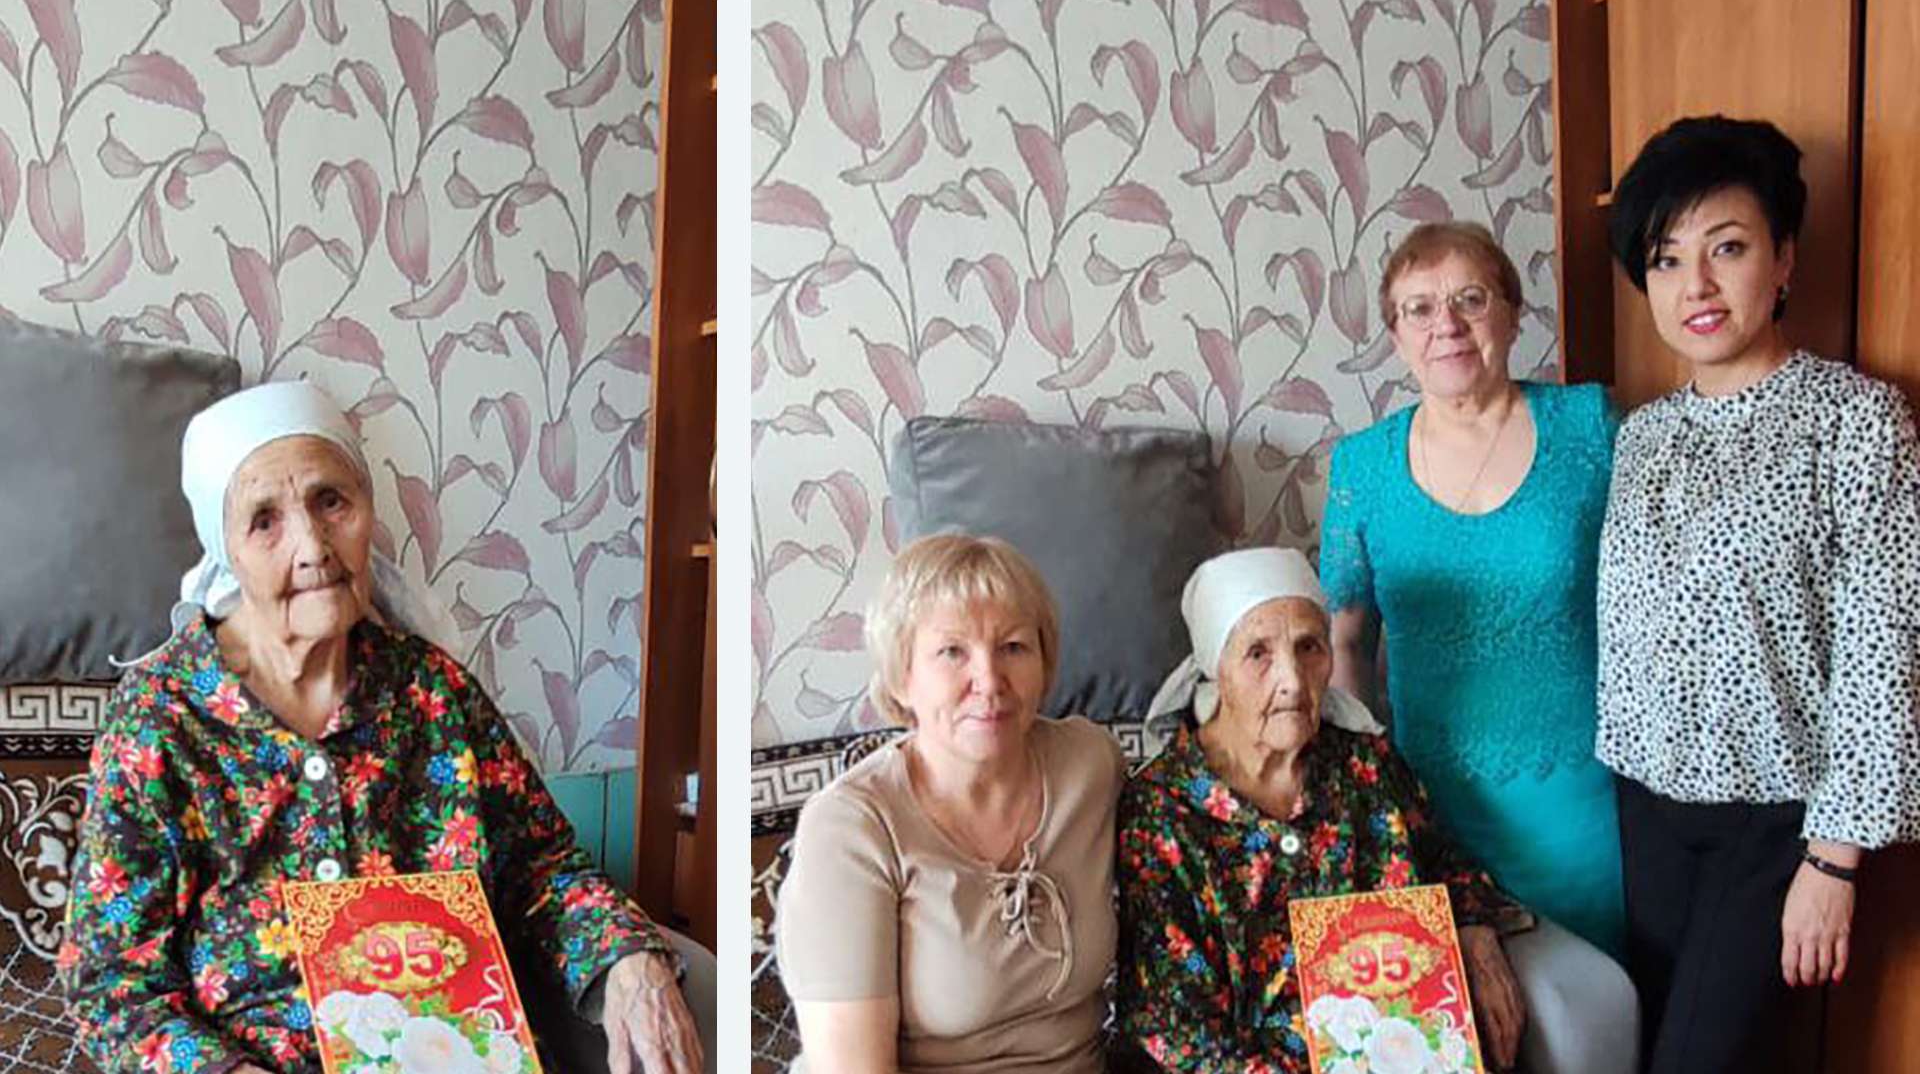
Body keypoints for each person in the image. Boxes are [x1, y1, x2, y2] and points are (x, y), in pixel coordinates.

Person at [58, 381, 710, 1074]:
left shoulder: (432, 690)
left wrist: (629, 960)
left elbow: (542, 868)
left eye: (330, 501)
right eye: (265, 521)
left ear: (366, 508)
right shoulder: (160, 721)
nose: (312, 546)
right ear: (227, 550)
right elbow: (110, 984)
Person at [1599, 114, 1920, 1072]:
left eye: (1727, 248)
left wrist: (1833, 860)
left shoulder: (1857, 419)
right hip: (1645, 809)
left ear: (1783, 259)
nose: (1694, 285)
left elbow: (1885, 649)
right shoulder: (1642, 435)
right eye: (1666, 259)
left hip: (1775, 821)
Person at [1320, 220, 1627, 963]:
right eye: (1419, 309)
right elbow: (1347, 644)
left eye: (1471, 299)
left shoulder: (1590, 426)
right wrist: (1374, 797)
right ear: (1397, 337)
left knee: (1603, 1008)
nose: (1447, 325)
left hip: (1588, 809)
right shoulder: (1362, 467)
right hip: (1434, 815)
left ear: (1513, 313)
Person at [1120, 547, 1527, 1072]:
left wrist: (1475, 932)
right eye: (1258, 654)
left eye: (1309, 647)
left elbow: (1445, 860)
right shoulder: (1162, 810)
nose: (1292, 679)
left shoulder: (1365, 764)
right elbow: (1174, 1027)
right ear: (1215, 670)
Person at [778, 533, 1125, 1073]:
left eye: (1013, 647)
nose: (989, 681)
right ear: (902, 676)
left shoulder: (1091, 767)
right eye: (952, 651)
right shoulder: (851, 828)